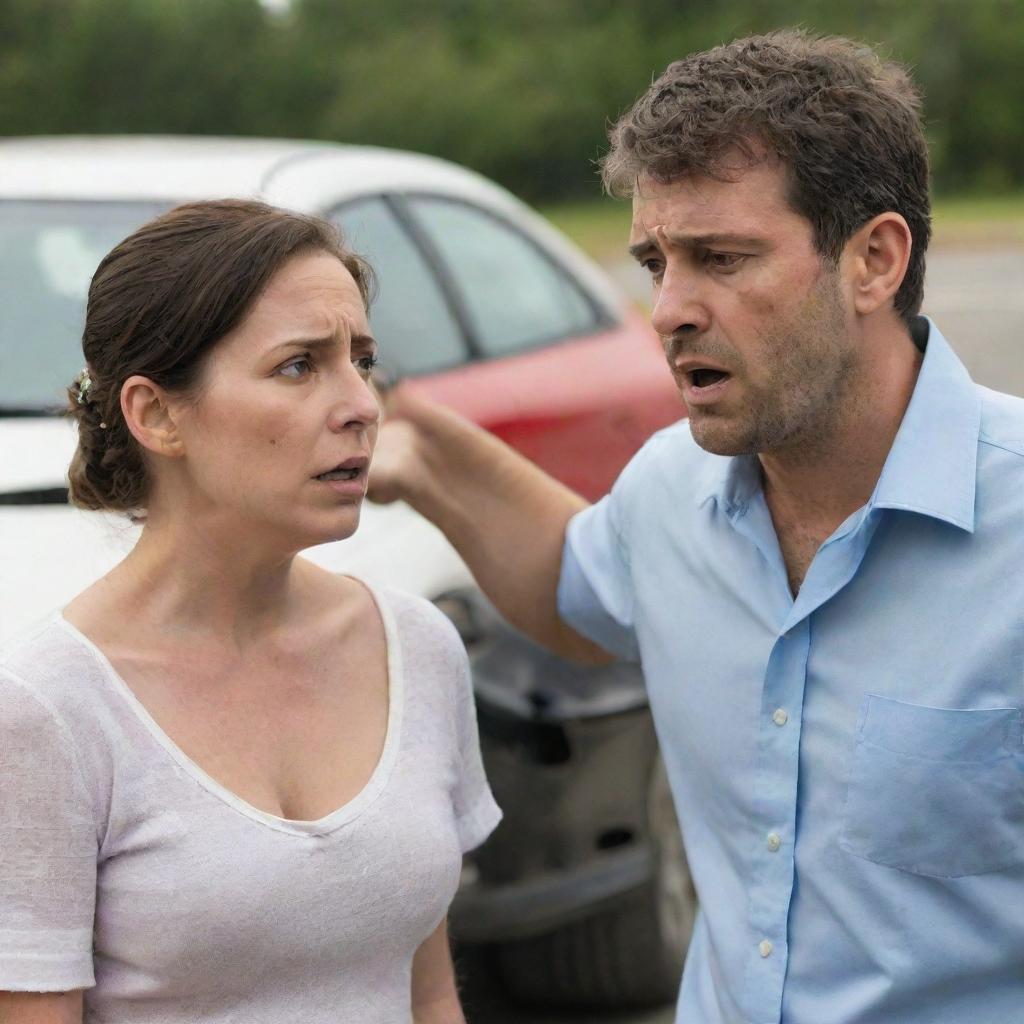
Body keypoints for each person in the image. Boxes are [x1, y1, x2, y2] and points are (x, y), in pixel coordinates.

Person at [368, 30, 1024, 1024]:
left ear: (874, 260)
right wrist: (420, 452)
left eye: (720, 257)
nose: (668, 309)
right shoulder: (671, 492)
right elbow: (572, 589)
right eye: (653, 261)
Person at [0, 199, 501, 1024]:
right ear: (156, 414)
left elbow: (429, 993)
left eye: (361, 360)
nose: (361, 405)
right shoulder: (47, 708)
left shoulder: (414, 645)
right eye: (299, 366)